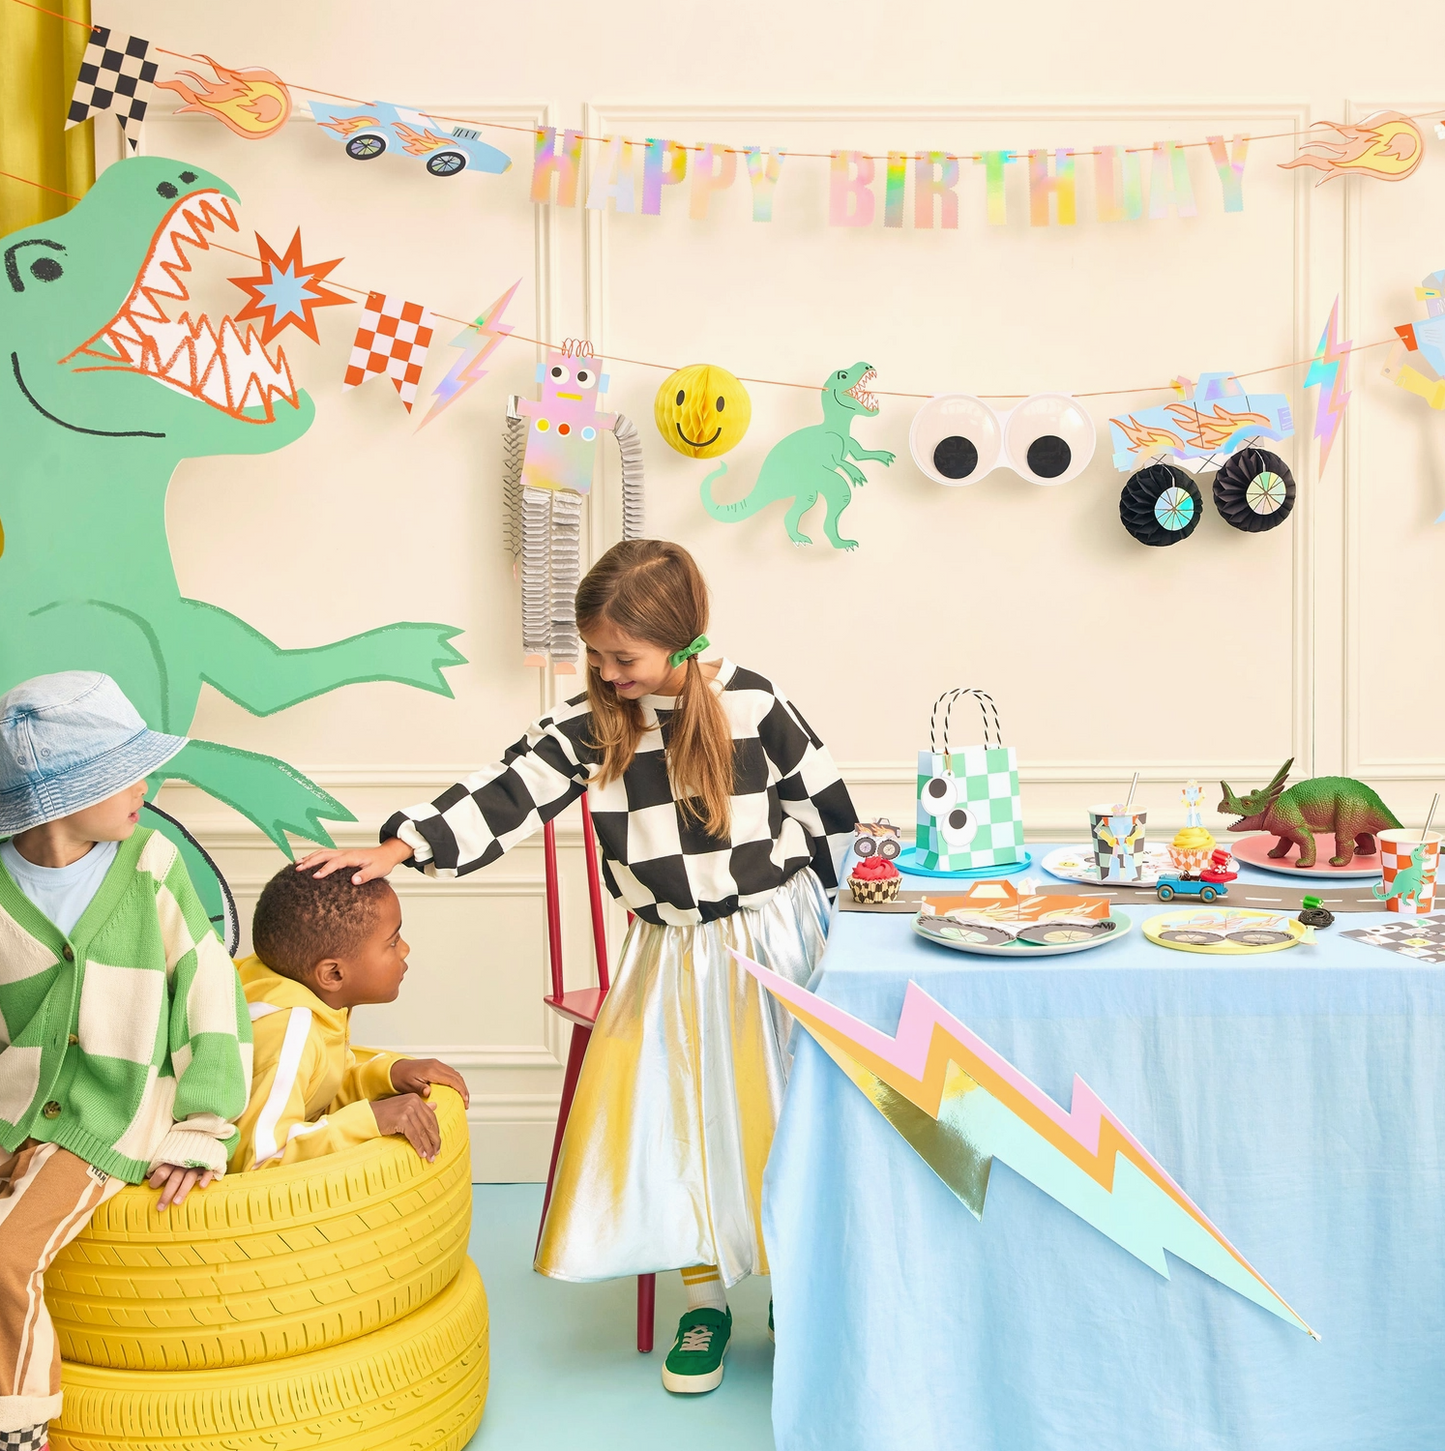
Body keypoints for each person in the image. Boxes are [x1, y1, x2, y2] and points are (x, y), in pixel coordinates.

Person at [299, 539, 855, 1396]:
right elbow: (506, 789)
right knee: (674, 1117)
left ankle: (791, 1292)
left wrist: (842, 923)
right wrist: (402, 845)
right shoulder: (593, 725)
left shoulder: (755, 703)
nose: (606, 669)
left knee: (781, 1113)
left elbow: (830, 814)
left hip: (772, 946)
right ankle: (701, 1296)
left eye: (622, 656)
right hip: (668, 953)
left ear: (680, 639)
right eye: (593, 653)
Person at [0, 672, 250, 1451]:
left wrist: (203, 1124)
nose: (147, 785)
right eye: (122, 771)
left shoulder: (149, 861)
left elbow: (209, 989)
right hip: (12, 1110)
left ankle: (20, 1427)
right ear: (61, 792)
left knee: (3, 1257)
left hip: (105, 1114)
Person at [231, 864, 469, 1171]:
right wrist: (371, 1120)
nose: (405, 949)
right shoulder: (289, 1031)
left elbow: (313, 1092)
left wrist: (385, 1076)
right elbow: (257, 1160)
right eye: (393, 941)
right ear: (333, 974)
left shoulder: (292, 991)